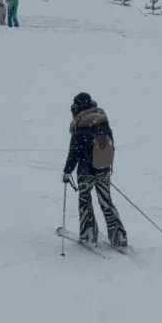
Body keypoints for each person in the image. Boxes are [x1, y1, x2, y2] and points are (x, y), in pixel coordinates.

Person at [61, 92, 128, 248]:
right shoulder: (103, 121)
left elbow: (74, 152)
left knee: (85, 201)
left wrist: (67, 171)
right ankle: (119, 237)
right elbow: (110, 145)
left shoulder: (79, 124)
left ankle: (88, 235)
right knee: (106, 202)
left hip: (85, 171)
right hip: (103, 169)